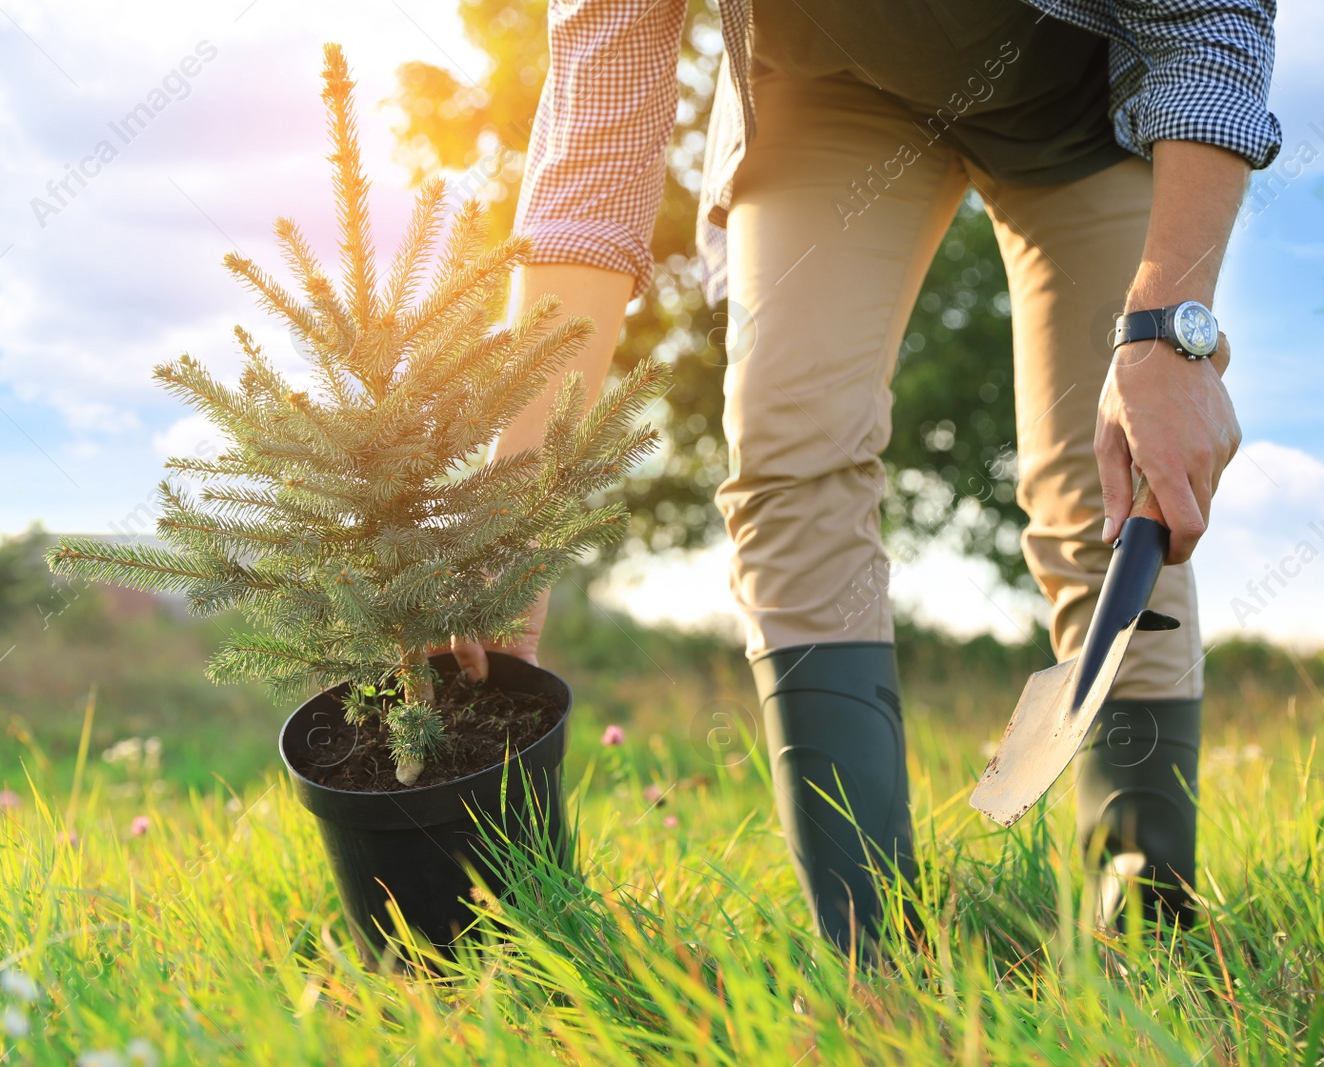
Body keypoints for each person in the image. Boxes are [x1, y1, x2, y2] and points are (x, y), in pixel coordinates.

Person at [452, 0, 1278, 948]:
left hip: (1087, 88)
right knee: (790, 446)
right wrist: (510, 519)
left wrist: (1169, 333)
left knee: (1114, 490)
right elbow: (591, 166)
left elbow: (1211, 19)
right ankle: (873, 960)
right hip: (829, 84)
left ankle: (1151, 937)